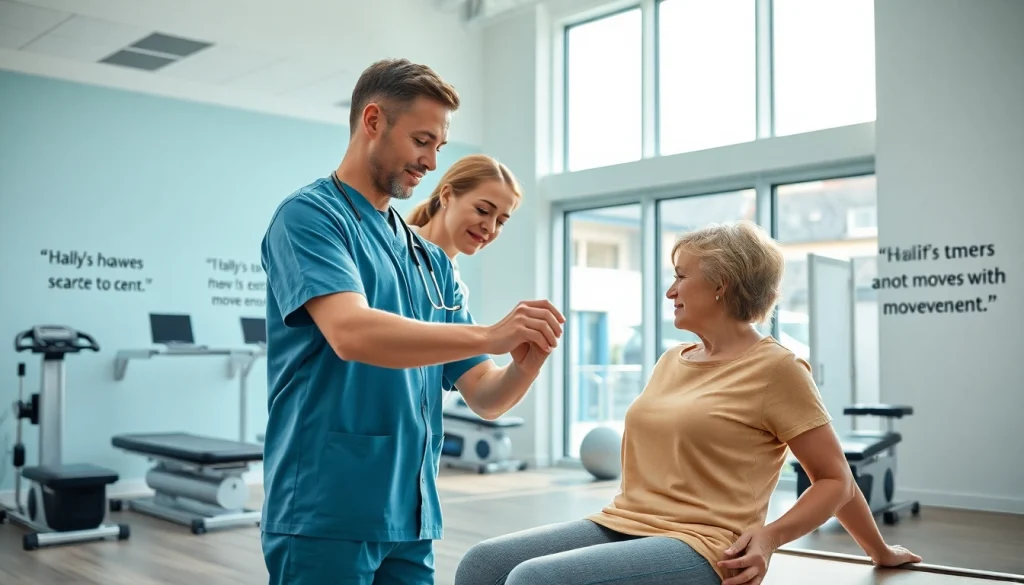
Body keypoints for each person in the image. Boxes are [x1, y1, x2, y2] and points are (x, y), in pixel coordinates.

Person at [454, 220, 922, 585]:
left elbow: (835, 479)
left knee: (534, 580)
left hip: (705, 546)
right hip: (625, 520)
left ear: (722, 284)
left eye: (681, 277)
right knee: (482, 565)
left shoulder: (777, 369)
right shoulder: (671, 359)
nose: (670, 291)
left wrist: (778, 537)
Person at [258, 58, 564, 585]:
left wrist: (526, 360)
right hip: (325, 508)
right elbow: (351, 333)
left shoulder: (428, 259)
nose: (429, 161)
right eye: (422, 140)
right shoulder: (310, 217)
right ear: (372, 121)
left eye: (439, 147)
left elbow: (486, 396)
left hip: (411, 515)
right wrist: (492, 333)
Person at [405, 153, 523, 309]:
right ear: (446, 196)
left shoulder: (458, 293)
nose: (491, 227)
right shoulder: (394, 246)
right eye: (482, 210)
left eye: (501, 221)